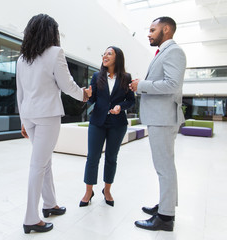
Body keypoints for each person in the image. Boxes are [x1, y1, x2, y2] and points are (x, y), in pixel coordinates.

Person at [16, 14, 92, 234]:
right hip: (47, 116)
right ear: (51, 32)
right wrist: (84, 95)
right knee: (38, 165)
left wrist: (23, 120)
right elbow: (67, 85)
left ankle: (50, 205)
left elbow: (20, 94)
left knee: (44, 162)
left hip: (29, 116)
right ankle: (31, 218)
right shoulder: (55, 53)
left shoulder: (23, 59)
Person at [129, 16, 186, 231]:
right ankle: (165, 205)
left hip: (163, 119)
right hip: (159, 118)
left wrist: (141, 85)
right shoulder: (164, 52)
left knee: (164, 168)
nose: (149, 33)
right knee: (164, 167)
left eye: (153, 29)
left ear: (167, 29)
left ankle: (165, 217)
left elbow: (172, 84)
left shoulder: (174, 52)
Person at [80, 46, 135, 207]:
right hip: (98, 122)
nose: (105, 56)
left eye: (109, 53)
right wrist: (88, 96)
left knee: (111, 158)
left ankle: (107, 190)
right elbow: (92, 99)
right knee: (92, 158)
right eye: (104, 53)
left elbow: (131, 100)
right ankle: (88, 191)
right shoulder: (97, 76)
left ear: (117, 58)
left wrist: (120, 107)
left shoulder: (126, 77)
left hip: (117, 124)